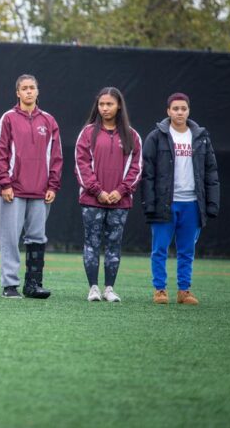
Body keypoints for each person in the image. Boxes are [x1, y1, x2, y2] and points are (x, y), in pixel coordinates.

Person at [142, 93, 219, 305]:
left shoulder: (201, 137)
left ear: (188, 111)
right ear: (168, 111)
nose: (179, 112)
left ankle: (184, 291)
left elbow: (211, 173)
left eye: (183, 108)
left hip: (192, 204)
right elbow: (147, 174)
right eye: (175, 108)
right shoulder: (156, 137)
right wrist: (150, 203)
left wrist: (211, 204)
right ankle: (160, 290)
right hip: (165, 203)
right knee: (160, 250)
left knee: (187, 251)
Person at [0, 74, 62, 299]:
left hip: (41, 191)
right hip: (14, 190)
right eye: (24, 88)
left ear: (37, 91)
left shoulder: (49, 121)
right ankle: (10, 285)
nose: (29, 91)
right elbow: (0, 153)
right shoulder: (8, 118)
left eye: (32, 87)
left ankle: (33, 284)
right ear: (18, 93)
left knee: (37, 237)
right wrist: (4, 183)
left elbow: (56, 156)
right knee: (10, 238)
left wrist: (53, 184)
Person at [74, 87, 142, 302]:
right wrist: (98, 191)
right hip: (92, 200)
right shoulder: (87, 133)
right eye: (101, 104)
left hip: (120, 202)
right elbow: (81, 164)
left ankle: (109, 288)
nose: (105, 108)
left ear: (119, 105)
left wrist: (120, 191)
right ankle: (93, 288)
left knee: (114, 245)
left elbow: (136, 168)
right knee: (91, 243)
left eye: (109, 104)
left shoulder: (132, 136)